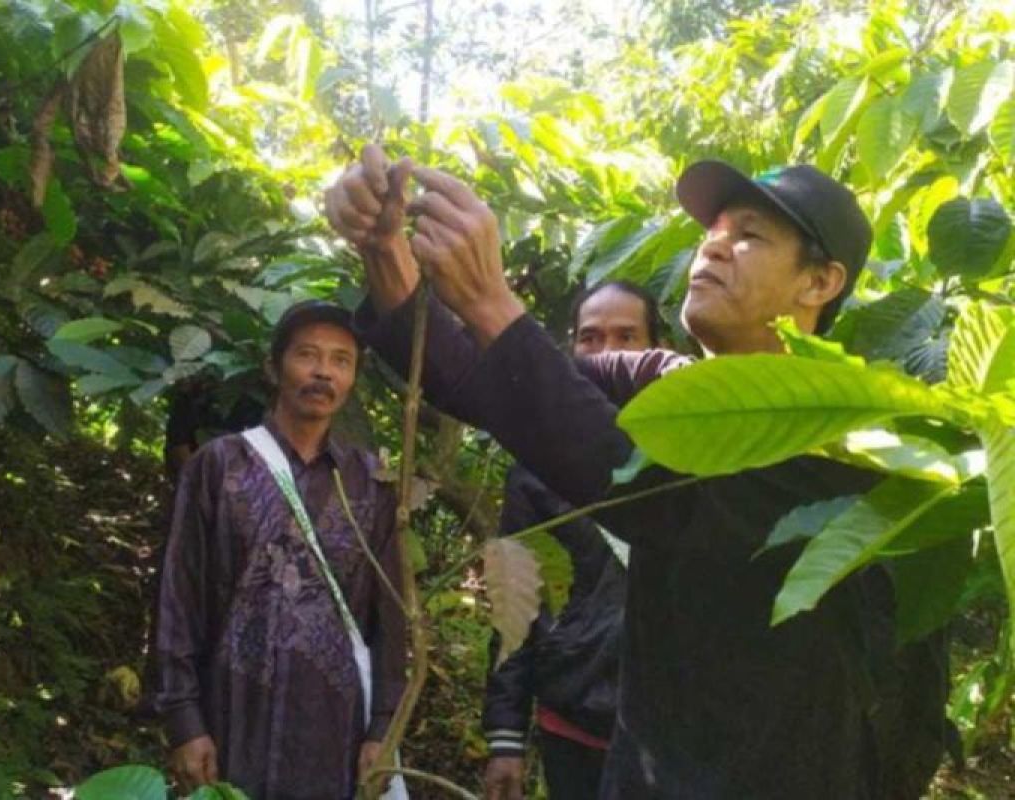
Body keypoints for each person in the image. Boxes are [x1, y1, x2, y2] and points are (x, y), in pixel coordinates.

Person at [325, 147, 948, 798]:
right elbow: (487, 379)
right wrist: (385, 254)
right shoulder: (670, 384)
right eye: (712, 235)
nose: (711, 250)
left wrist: (490, 298)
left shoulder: (840, 438)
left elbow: (643, 488)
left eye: (750, 237)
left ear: (819, 283)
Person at [154, 299, 408, 799]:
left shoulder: (369, 484)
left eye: (341, 360)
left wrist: (383, 728)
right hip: (231, 717)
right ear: (275, 367)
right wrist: (184, 720)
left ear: (353, 378)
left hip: (334, 727)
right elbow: (177, 596)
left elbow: (390, 618)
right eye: (307, 355)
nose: (323, 372)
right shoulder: (219, 466)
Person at [483, 282, 664, 800]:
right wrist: (505, 736)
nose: (606, 352)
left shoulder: (694, 450)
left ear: (654, 347)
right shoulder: (536, 463)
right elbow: (515, 604)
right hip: (574, 722)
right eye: (590, 338)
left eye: (626, 336)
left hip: (673, 730)